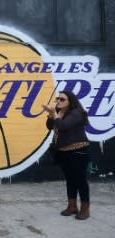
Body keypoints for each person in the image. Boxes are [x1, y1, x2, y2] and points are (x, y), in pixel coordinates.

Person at [42, 90, 91, 220]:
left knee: (80, 180)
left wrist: (54, 114)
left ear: (70, 101)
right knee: (70, 179)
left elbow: (62, 126)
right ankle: (72, 206)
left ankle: (85, 208)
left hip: (78, 151)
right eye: (58, 98)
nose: (58, 101)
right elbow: (49, 126)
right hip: (64, 151)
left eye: (62, 99)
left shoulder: (76, 113)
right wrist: (52, 115)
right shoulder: (59, 113)